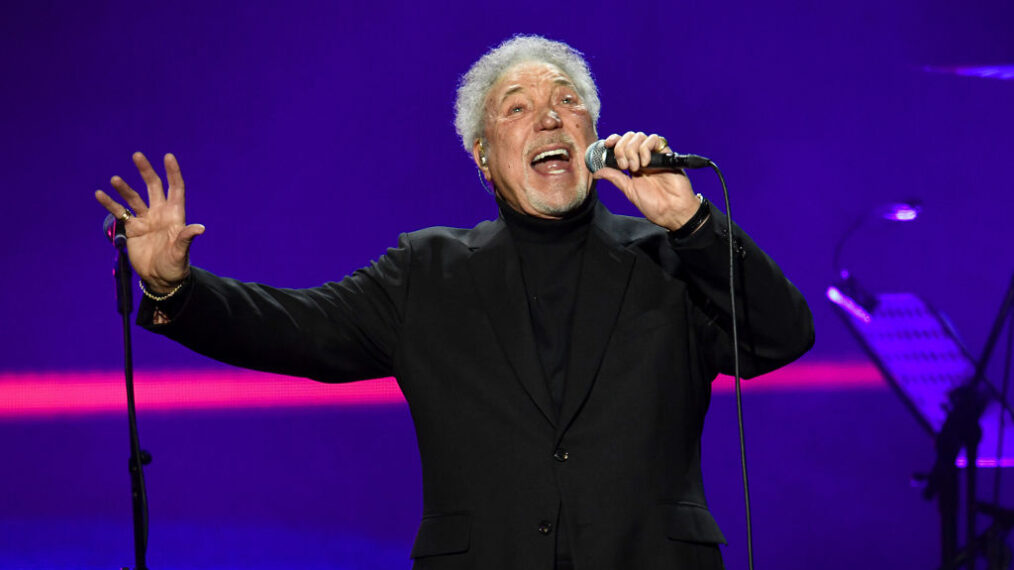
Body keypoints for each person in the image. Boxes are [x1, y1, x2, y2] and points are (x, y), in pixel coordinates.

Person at [95, 35, 813, 570]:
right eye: (519, 107)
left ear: (593, 136)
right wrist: (174, 289)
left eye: (569, 102)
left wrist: (692, 223)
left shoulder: (671, 258)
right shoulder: (427, 272)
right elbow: (297, 331)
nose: (551, 119)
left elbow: (784, 336)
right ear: (482, 154)